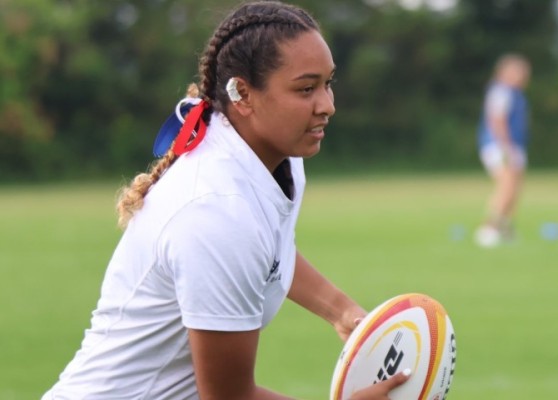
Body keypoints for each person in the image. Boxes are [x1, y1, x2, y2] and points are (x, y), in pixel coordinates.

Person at [41, 2, 409, 399]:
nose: (327, 105)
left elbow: (269, 252)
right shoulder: (214, 211)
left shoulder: (274, 158)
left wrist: (342, 311)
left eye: (327, 83)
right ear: (242, 94)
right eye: (306, 89)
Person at [475, 54, 531, 248]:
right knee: (506, 185)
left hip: (514, 145)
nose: (523, 75)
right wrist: (506, 146)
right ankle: (488, 228)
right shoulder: (500, 91)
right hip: (499, 145)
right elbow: (497, 120)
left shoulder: (517, 93)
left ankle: (504, 227)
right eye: (518, 71)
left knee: (515, 189)